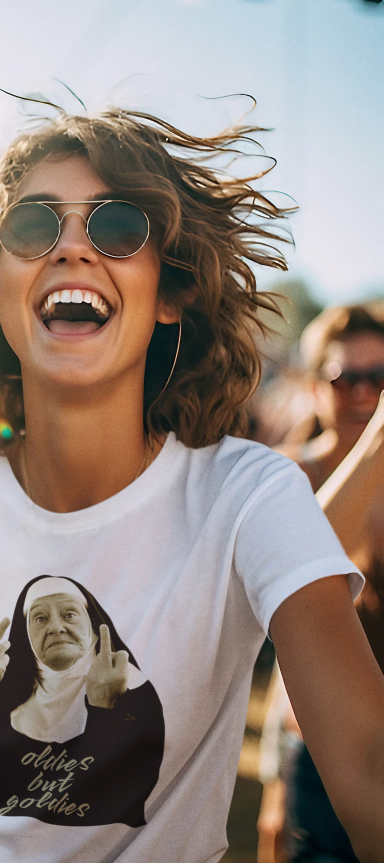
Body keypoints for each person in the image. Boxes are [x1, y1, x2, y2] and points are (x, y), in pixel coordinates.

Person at [0, 108, 384, 863]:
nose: (72, 247)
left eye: (119, 227)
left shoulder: (250, 497)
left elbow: (368, 767)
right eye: (32, 226)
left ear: (170, 295)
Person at [257, 302, 384, 863]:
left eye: (379, 378)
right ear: (314, 387)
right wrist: (274, 781)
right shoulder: (285, 475)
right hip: (319, 746)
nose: (363, 393)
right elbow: (303, 573)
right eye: (345, 378)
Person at [0, 575, 164, 827]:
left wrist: (104, 709)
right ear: (25, 633)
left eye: (69, 614)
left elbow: (124, 792)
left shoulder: (132, 687)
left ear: (93, 624)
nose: (56, 627)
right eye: (40, 618)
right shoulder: (5, 684)